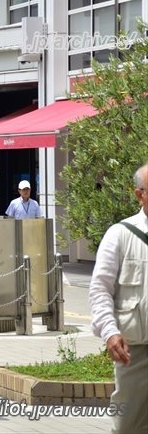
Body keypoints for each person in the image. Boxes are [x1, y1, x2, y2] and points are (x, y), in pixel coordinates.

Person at [89, 163, 148, 434]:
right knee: (128, 426)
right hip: (135, 351)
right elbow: (100, 289)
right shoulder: (120, 234)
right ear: (140, 195)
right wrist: (110, 332)